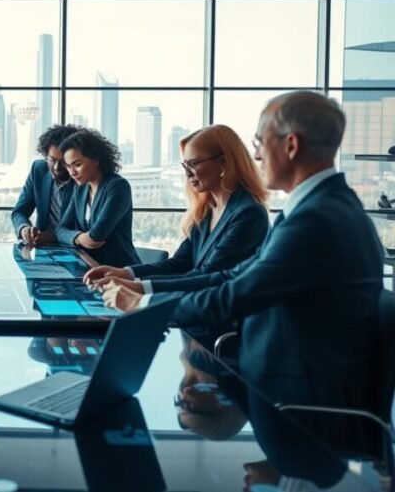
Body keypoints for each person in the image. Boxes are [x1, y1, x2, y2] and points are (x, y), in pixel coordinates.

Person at [103, 91, 384, 417]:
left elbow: (232, 297)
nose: (257, 155)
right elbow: (233, 276)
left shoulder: (314, 219)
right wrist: (143, 289)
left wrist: (143, 305)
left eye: (259, 142)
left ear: (291, 145)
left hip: (296, 403)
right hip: (286, 381)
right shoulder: (319, 207)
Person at [84, 125, 269, 290]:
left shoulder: (248, 214)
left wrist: (138, 286)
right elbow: (179, 264)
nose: (187, 173)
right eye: (185, 165)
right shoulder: (206, 210)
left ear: (223, 163)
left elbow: (208, 277)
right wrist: (125, 273)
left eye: (194, 164)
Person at [55, 129, 139, 267]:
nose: (72, 172)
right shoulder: (80, 189)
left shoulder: (117, 187)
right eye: (68, 166)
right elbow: (60, 230)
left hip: (119, 270)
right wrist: (79, 237)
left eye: (77, 165)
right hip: (89, 265)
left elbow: (96, 237)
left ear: (96, 159)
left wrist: (77, 236)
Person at [11, 124, 81, 246]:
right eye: (52, 160)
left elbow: (88, 227)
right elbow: (19, 212)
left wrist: (54, 237)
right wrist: (24, 229)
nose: (57, 167)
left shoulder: (82, 178)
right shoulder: (38, 169)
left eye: (63, 161)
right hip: (42, 246)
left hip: (75, 247)